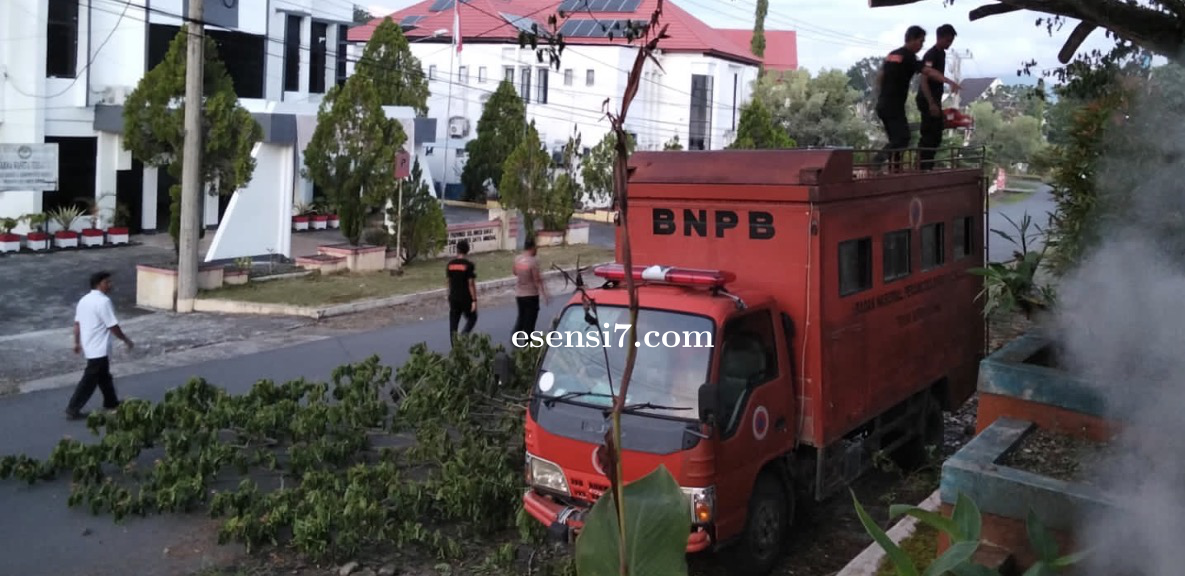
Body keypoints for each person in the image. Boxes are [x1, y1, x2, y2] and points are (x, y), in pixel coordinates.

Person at [873, 25, 961, 171]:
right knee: (903, 138)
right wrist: (949, 81)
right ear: (912, 40)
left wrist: (882, 95)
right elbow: (928, 73)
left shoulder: (892, 55)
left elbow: (880, 77)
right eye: (920, 41)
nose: (921, 45)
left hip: (884, 104)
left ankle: (895, 170)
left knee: (896, 139)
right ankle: (877, 162)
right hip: (894, 106)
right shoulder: (909, 57)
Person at [66, 271, 133, 420]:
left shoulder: (84, 300)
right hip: (99, 348)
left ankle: (111, 402)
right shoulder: (103, 302)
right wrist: (126, 340)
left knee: (104, 377)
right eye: (107, 282)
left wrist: (77, 342)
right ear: (99, 284)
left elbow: (77, 324)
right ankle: (73, 408)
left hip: (90, 345)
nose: (110, 285)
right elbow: (112, 326)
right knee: (89, 380)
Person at [917, 24, 959, 171]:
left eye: (951, 41)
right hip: (927, 98)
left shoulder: (942, 54)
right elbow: (924, 80)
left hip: (935, 98)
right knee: (929, 132)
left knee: (936, 133)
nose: (949, 43)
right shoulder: (931, 55)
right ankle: (923, 166)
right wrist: (931, 103)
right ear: (939, 38)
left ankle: (928, 164)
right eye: (947, 40)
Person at [512, 238, 548, 340]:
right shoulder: (533, 262)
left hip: (519, 295)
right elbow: (537, 280)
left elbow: (514, 272)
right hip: (531, 295)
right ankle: (528, 347)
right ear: (532, 248)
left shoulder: (517, 259)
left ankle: (515, 339)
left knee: (521, 318)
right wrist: (544, 294)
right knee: (530, 322)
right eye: (535, 247)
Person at [446, 239, 478, 345]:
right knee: (472, 318)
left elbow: (448, 282)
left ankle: (455, 348)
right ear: (467, 250)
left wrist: (449, 295)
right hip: (465, 298)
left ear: (457, 250)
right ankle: (464, 335)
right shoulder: (468, 265)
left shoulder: (450, 264)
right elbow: (470, 284)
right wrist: (474, 300)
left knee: (453, 324)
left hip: (454, 297)